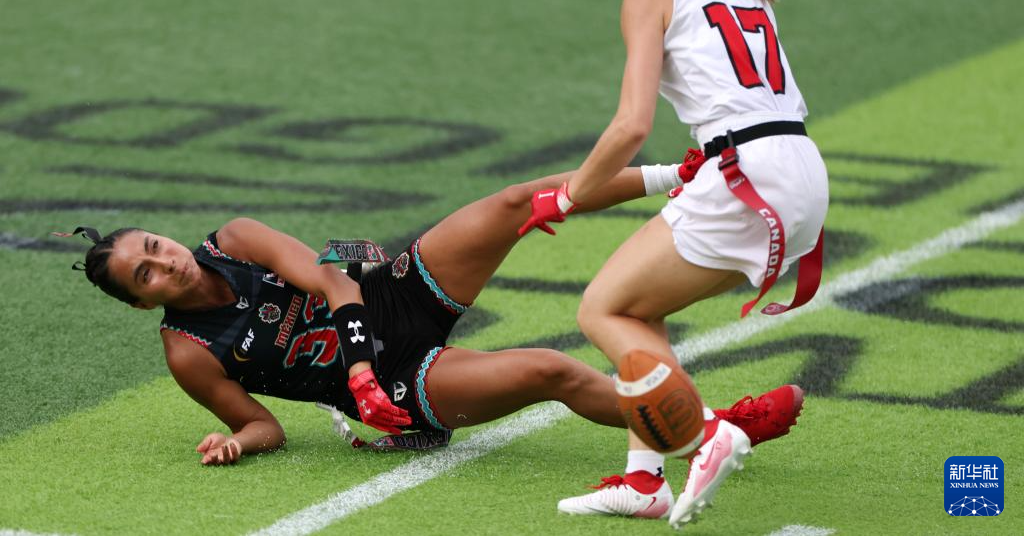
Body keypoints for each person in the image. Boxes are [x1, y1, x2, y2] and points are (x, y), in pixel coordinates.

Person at [61, 164, 803, 472]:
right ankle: (718, 428)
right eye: (145, 275)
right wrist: (235, 441)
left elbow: (332, 277)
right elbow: (265, 427)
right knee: (553, 370)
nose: (164, 263)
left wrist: (355, 325)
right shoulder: (188, 353)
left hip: (388, 297)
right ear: (142, 301)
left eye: (154, 247)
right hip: (397, 379)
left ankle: (688, 174)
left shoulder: (234, 238)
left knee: (514, 203)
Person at [519, 0, 829, 527]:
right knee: (640, 305)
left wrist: (570, 195)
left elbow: (630, 126)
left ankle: (707, 431)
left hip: (747, 173)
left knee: (602, 308)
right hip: (800, 166)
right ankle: (644, 480)